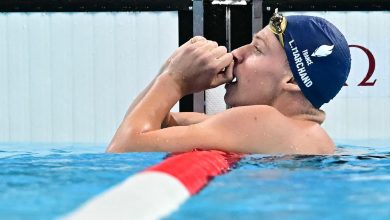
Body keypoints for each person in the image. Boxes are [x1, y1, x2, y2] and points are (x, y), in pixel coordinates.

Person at [106, 11, 351, 154]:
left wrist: (175, 81)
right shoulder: (292, 132)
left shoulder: (266, 122)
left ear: (292, 81)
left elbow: (122, 149)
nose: (237, 53)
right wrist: (171, 70)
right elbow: (158, 126)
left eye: (257, 49)